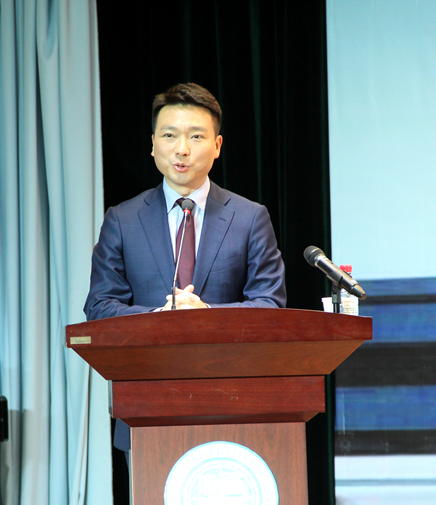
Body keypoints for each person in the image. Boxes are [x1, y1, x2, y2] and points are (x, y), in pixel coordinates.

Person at [83, 83, 286, 450]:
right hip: (147, 407)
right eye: (169, 135)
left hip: (235, 404)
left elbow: (270, 306)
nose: (182, 149)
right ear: (152, 144)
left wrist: (205, 314)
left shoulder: (250, 218)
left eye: (196, 136)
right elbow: (99, 307)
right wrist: (160, 317)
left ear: (218, 145)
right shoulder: (122, 220)